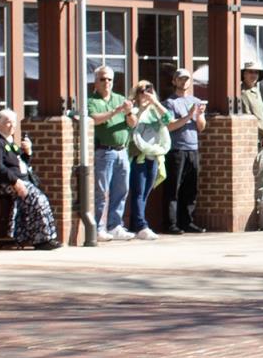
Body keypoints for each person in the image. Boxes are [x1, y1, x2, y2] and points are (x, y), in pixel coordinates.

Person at [0, 108, 60, 250]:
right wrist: (15, 181)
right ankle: (40, 239)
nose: (12, 125)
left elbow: (21, 164)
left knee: (39, 198)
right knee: (36, 197)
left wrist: (27, 152)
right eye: (8, 122)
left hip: (18, 180)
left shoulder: (10, 142)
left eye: (13, 122)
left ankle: (47, 237)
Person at [86, 66, 134, 240]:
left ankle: (115, 225)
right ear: (96, 81)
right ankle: (98, 227)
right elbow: (94, 120)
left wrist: (128, 112)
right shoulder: (91, 100)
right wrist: (116, 111)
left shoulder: (120, 99)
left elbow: (132, 123)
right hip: (104, 151)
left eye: (110, 79)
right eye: (103, 79)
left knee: (122, 190)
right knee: (101, 191)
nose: (107, 82)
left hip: (122, 151)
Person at [161, 69, 208, 234]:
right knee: (174, 188)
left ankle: (187, 222)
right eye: (180, 79)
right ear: (174, 81)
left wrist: (199, 115)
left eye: (187, 79)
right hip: (177, 150)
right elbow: (170, 126)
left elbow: (201, 128)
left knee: (191, 188)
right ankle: (172, 224)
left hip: (193, 149)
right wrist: (188, 117)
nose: (184, 82)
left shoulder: (195, 101)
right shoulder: (170, 103)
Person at [126, 81, 170, 240]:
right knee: (138, 192)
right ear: (137, 93)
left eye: (149, 90)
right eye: (142, 90)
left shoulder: (154, 111)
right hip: (138, 156)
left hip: (154, 154)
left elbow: (168, 118)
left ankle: (135, 225)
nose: (145, 93)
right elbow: (132, 124)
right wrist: (141, 108)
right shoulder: (134, 110)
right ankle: (141, 225)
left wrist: (155, 102)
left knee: (145, 193)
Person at [231, 59, 263, 201]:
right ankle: (254, 208)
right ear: (244, 74)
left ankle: (259, 206)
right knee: (254, 175)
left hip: (262, 140)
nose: (253, 75)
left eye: (256, 72)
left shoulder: (257, 91)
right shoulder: (242, 93)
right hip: (251, 140)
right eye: (250, 72)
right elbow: (249, 117)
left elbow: (261, 116)